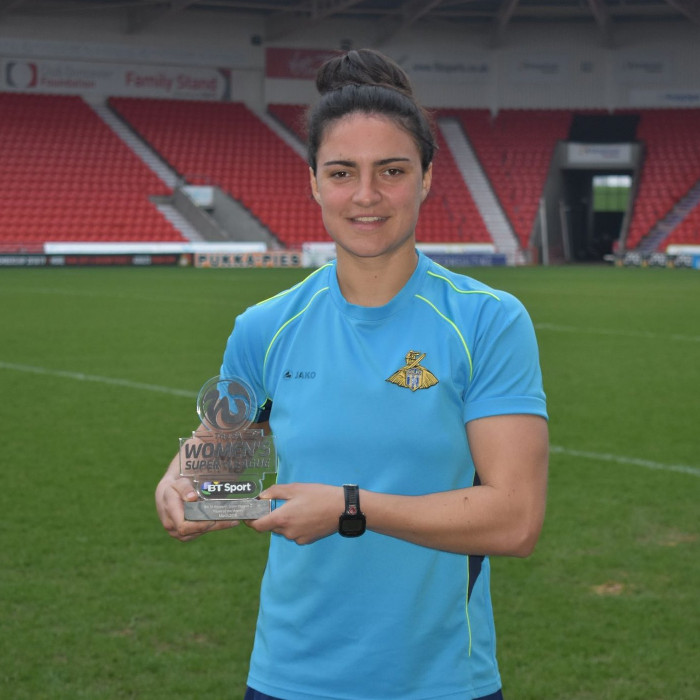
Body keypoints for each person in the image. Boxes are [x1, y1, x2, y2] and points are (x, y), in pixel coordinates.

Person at [156, 48, 549, 700]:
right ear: (314, 182)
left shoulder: (487, 321)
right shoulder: (263, 326)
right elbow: (219, 453)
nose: (366, 195)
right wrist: (181, 484)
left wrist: (349, 508)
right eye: (342, 172)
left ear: (426, 177)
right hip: (288, 677)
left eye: (391, 171)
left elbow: (515, 519)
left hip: (440, 681)